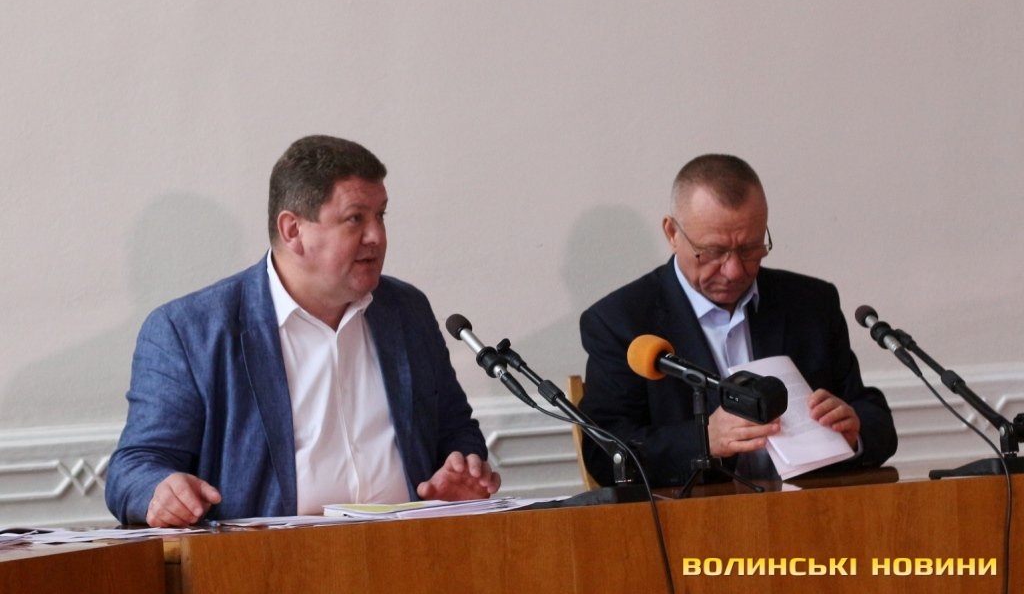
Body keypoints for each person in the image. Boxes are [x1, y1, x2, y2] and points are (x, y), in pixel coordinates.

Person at [106, 135, 500, 527]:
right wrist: (160, 491)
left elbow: (455, 430)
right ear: (293, 230)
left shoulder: (406, 310)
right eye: (355, 218)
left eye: (380, 216)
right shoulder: (190, 331)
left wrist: (459, 470)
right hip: (270, 559)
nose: (377, 236)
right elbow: (135, 467)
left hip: (409, 549)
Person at [578, 153, 897, 487]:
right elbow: (604, 454)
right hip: (694, 513)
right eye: (713, 252)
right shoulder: (620, 322)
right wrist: (703, 440)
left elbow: (873, 417)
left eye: (749, 249)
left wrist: (853, 432)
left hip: (808, 506)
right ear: (672, 233)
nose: (733, 271)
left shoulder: (811, 303)